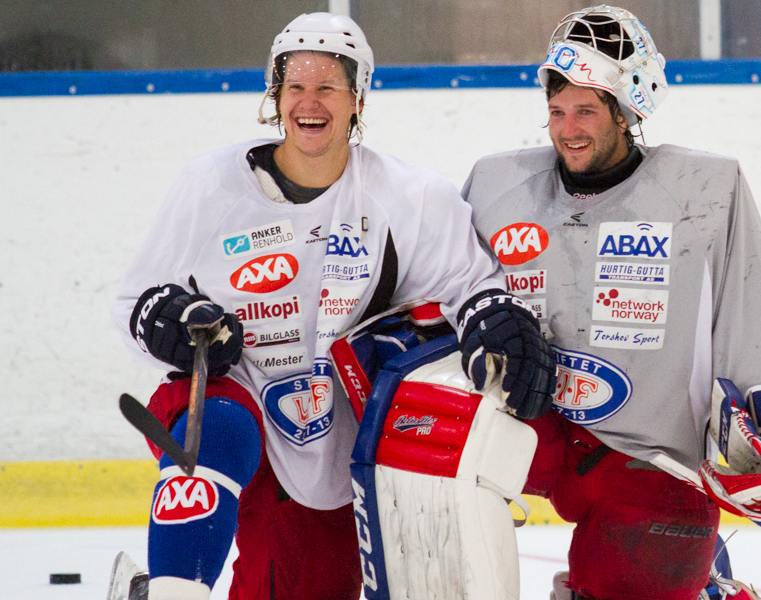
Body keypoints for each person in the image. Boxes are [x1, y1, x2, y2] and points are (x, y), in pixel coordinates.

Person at [111, 12, 554, 600]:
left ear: (357, 100)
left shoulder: (408, 196)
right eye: (295, 85)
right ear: (276, 97)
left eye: (327, 86)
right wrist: (168, 320)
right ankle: (171, 590)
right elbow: (134, 302)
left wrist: (497, 320)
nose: (308, 101)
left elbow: (470, 284)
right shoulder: (211, 185)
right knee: (216, 426)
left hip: (332, 438)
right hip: (231, 395)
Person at [462, 6, 761, 600]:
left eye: (586, 111)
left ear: (627, 114)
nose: (567, 128)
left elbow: (756, 331)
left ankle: (708, 586)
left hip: (647, 461)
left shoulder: (704, 193)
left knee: (642, 570)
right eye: (556, 110)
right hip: (529, 430)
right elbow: (439, 295)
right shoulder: (497, 187)